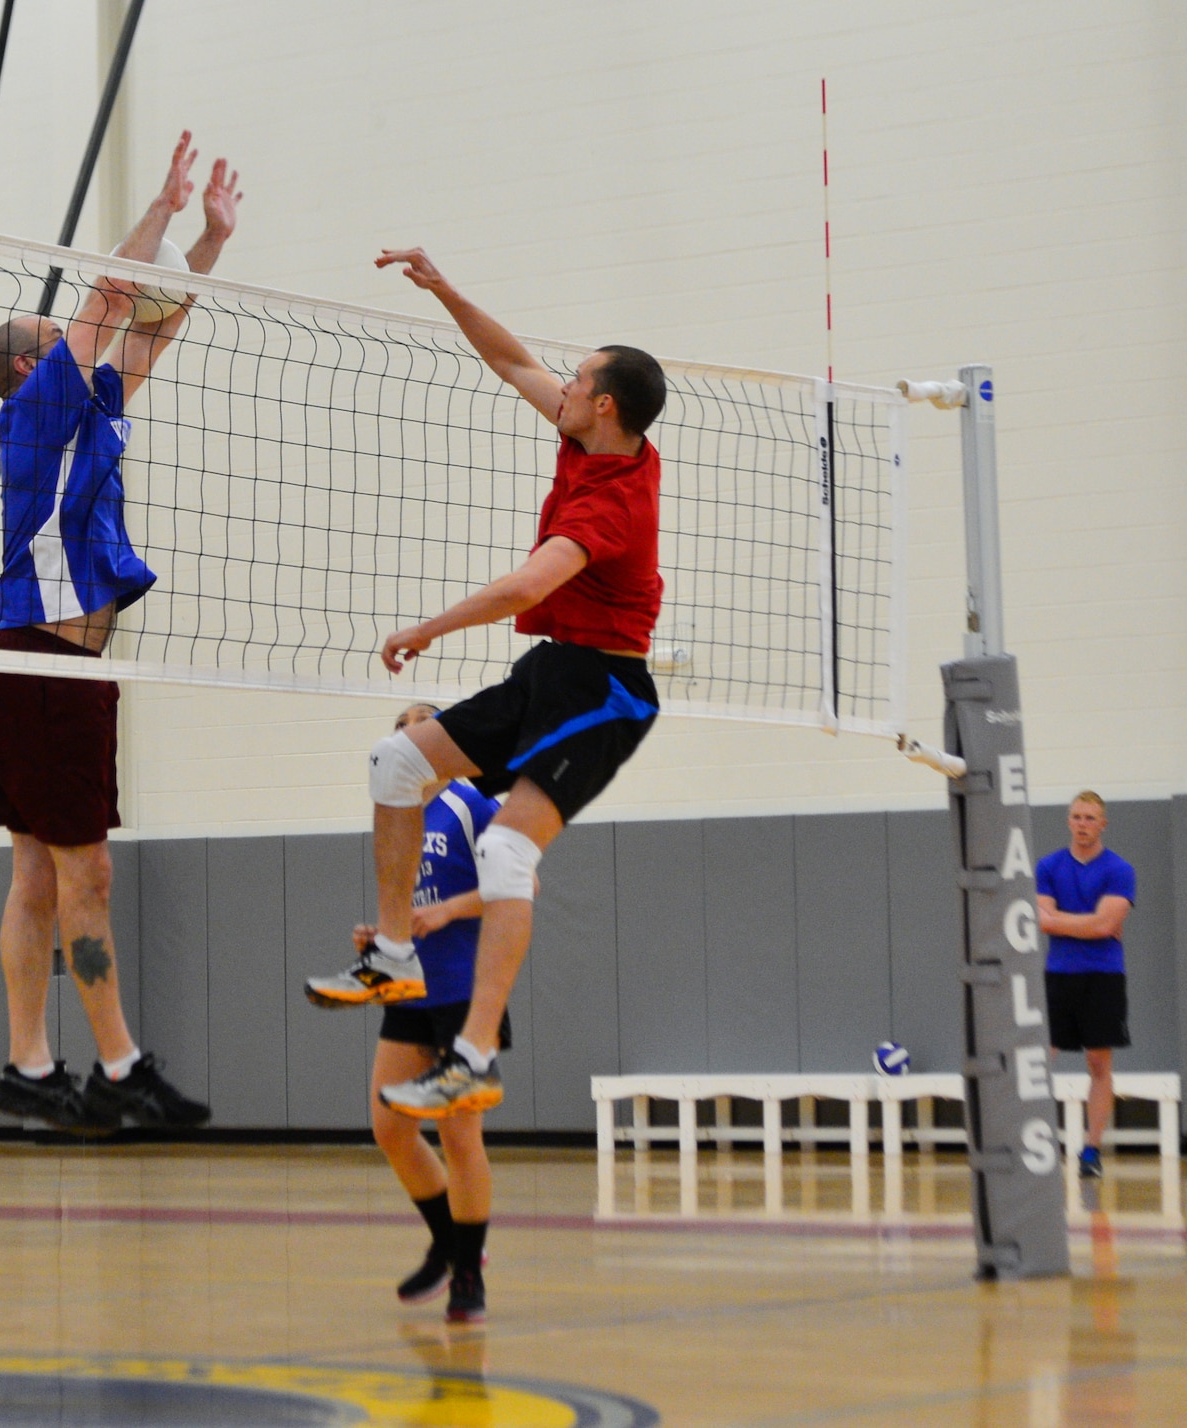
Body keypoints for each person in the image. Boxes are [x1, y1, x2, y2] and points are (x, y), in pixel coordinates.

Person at [305, 248, 668, 1122]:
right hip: (550, 670)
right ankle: (394, 951)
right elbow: (512, 362)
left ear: (605, 404)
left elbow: (525, 589)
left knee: (507, 853)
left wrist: (427, 628)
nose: (564, 386)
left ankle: (473, 1053)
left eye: (579, 381)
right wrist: (447, 291)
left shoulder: (612, 503)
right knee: (396, 763)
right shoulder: (591, 433)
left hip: (606, 691)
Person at [0, 131, 239, 1132]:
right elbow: (113, 296)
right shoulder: (37, 411)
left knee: (39, 872)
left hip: (52, 673)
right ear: (37, 361)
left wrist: (204, 243)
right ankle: (121, 1071)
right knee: (84, 871)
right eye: (67, 330)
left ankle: (28, 1066)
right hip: (40, 664)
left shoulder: (94, 409)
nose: (89, 332)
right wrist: (160, 214)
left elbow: (154, 322)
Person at [308, 703, 509, 1324]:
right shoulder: (396, 817)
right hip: (410, 989)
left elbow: (518, 889)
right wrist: (382, 940)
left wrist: (447, 912)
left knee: (458, 1133)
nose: (408, 739)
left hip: (464, 993)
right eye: (401, 732)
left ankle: (468, 1271)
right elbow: (408, 907)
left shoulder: (475, 806)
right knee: (389, 1125)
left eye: (419, 728)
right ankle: (448, 1242)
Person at [1035, 790, 1135, 1180]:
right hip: (1058, 974)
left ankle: (1091, 1149)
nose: (1082, 825)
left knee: (1099, 1063)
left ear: (1103, 824)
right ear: (1068, 821)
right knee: (1041, 1061)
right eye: (1076, 817)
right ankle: (1038, 1140)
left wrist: (1066, 920)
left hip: (1103, 976)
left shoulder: (1119, 870)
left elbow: (1107, 924)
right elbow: (1041, 921)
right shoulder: (1049, 866)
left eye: (1090, 818)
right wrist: (1088, 924)